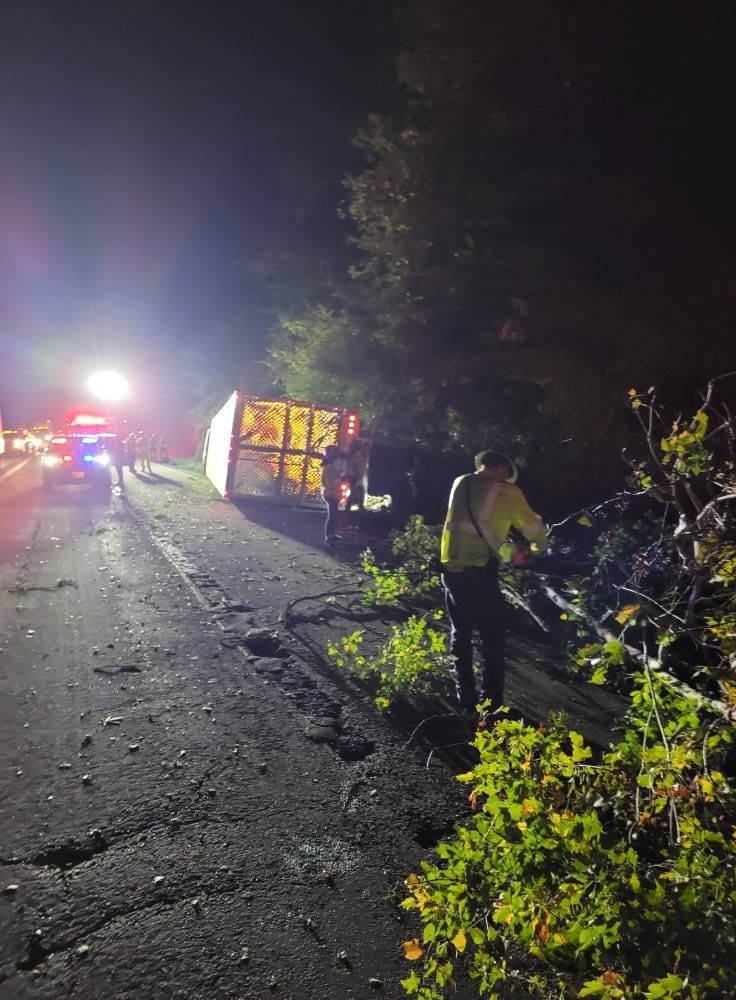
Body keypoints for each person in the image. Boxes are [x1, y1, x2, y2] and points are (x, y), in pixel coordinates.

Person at [440, 450, 547, 712]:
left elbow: (476, 524)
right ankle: (491, 703)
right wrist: (535, 550)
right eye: (506, 475)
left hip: (451, 569)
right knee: (493, 638)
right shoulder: (506, 492)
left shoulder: (461, 482)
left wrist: (507, 548)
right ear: (502, 470)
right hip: (481, 572)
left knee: (460, 632)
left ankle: (465, 697)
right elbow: (533, 529)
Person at [320, 445, 343, 545]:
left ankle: (331, 535)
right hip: (330, 494)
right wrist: (340, 478)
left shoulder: (329, 465)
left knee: (333, 516)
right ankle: (328, 537)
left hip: (332, 493)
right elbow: (329, 483)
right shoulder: (329, 467)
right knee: (332, 516)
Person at [345, 440, 368, 513]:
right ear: (362, 448)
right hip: (354, 477)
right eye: (365, 448)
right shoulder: (356, 456)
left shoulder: (366, 457)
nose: (366, 450)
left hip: (361, 478)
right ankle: (347, 507)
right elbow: (351, 466)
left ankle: (360, 506)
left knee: (361, 491)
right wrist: (354, 475)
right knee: (353, 492)